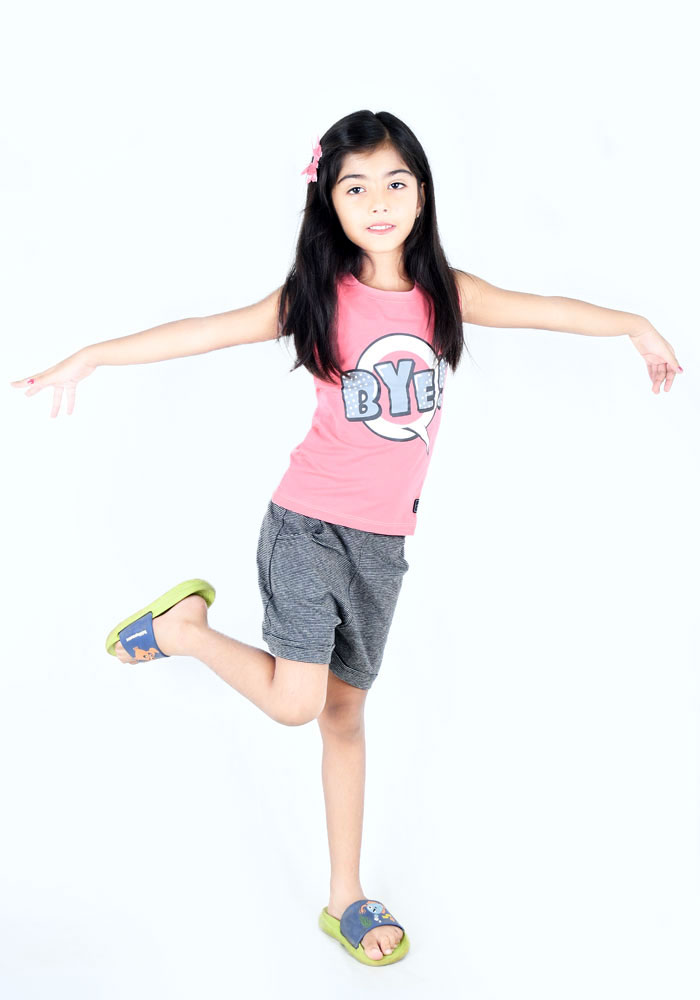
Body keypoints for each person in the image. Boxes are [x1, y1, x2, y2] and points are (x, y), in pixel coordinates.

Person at [8, 109, 684, 967]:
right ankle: (184, 630)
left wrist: (634, 324)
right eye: (355, 187)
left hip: (383, 548)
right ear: (328, 201)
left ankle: (345, 898)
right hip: (307, 526)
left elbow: (547, 309)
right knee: (298, 703)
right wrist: (93, 356)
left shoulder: (448, 294)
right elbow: (203, 331)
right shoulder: (317, 298)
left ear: (421, 194)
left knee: (344, 717)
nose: (378, 201)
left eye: (394, 182)